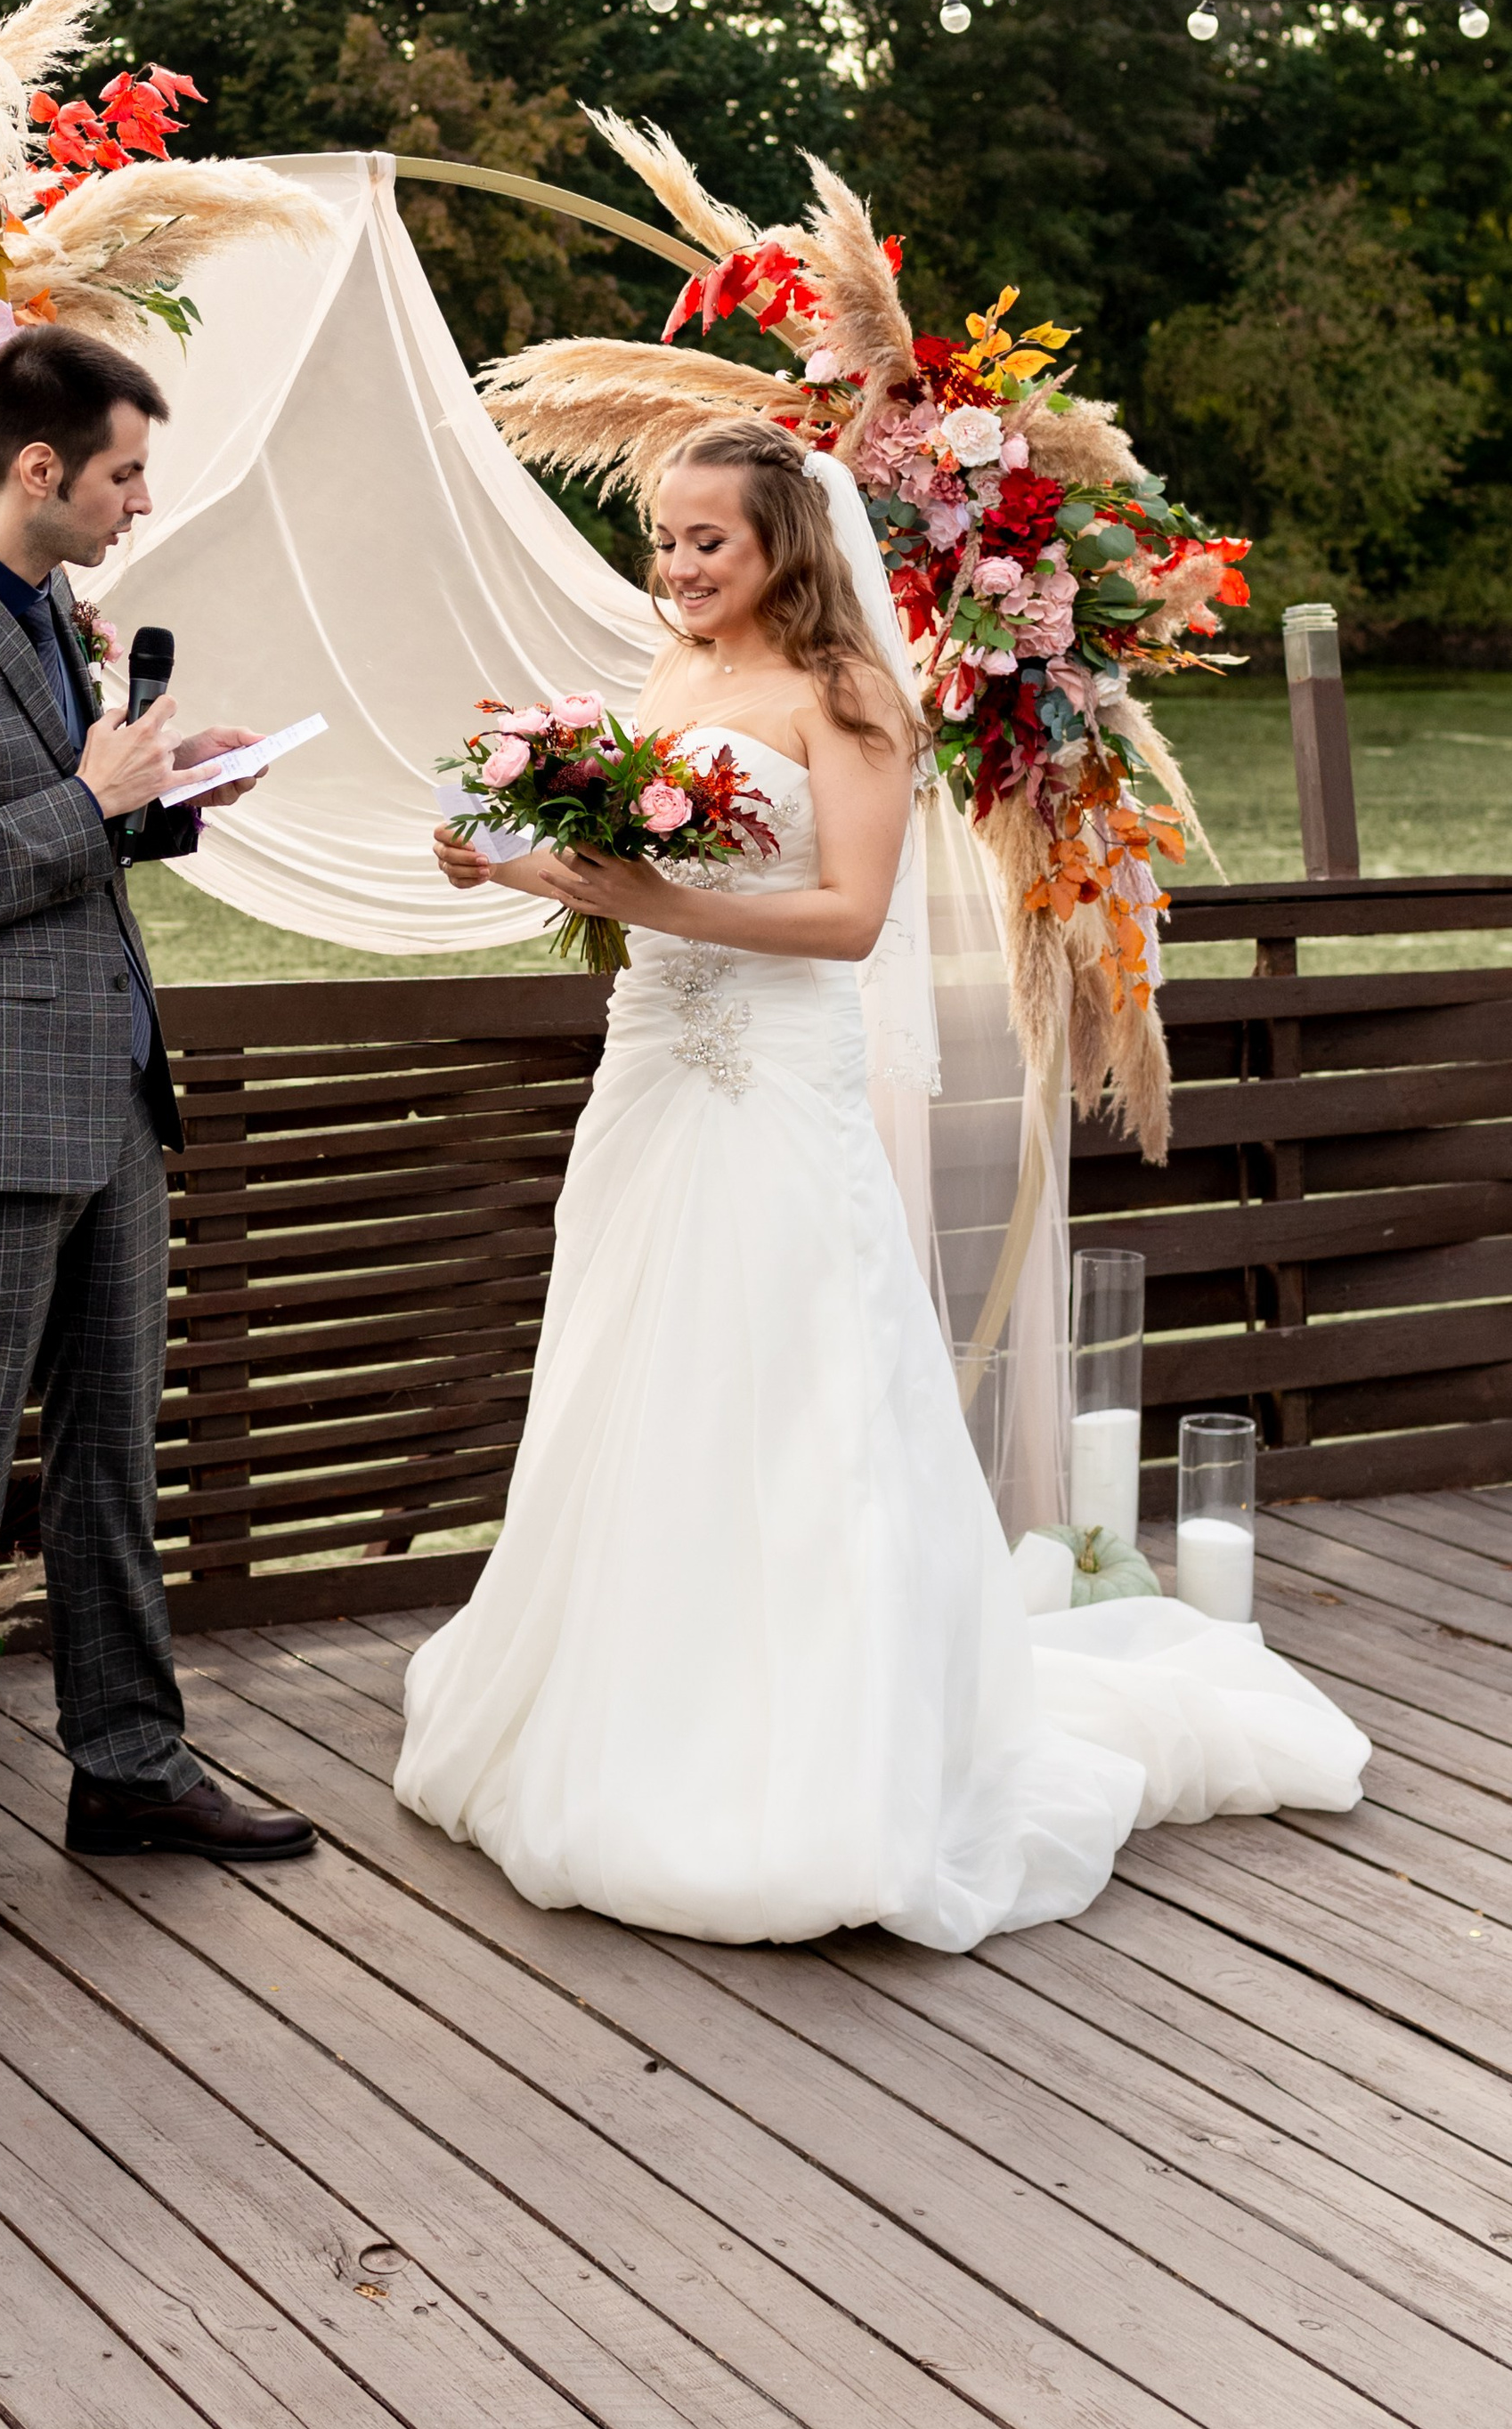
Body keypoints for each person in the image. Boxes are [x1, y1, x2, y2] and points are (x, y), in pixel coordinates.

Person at [396, 419, 1365, 1951]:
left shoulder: (848, 699)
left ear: (786, 540)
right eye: (666, 538)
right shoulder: (675, 680)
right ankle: (635, 1701)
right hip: (653, 1070)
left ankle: (821, 1756)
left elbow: (848, 919)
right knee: (638, 1375)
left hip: (776, 1081)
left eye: (708, 539)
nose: (679, 566)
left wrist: (651, 892)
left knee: (796, 1391)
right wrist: (507, 866)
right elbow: (641, 888)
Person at [0, 324, 313, 1957]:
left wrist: (163, 803)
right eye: (125, 473)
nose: (140, 502)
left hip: (107, 1105)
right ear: (38, 470)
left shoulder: (38, 608)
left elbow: (41, 839)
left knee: (110, 1459)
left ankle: (130, 1768)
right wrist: (86, 807)